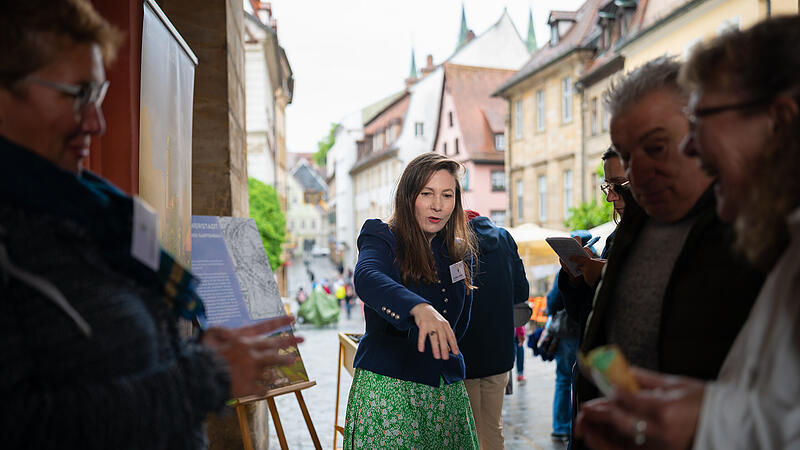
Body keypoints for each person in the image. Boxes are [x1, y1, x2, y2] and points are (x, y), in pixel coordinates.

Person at [0, 1, 302, 448]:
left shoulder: (92, 210)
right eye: (78, 93)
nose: (97, 121)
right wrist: (204, 375)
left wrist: (194, 351)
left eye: (98, 95)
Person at [576, 16, 800, 449]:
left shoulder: (757, 236)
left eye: (700, 124)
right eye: (624, 154)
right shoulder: (635, 225)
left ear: (781, 121)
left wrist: (706, 421)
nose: (633, 174)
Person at [343, 153, 479, 449]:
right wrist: (417, 308)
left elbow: (459, 325)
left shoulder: (458, 254)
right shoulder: (382, 236)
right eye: (426, 194)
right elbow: (366, 276)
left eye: (447, 195)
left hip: (445, 392)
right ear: (408, 197)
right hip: (389, 390)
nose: (438, 205)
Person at [460, 209, 529, 450]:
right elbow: (522, 292)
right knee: (493, 427)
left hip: (464, 353)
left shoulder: (453, 245)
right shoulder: (505, 239)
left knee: (469, 432)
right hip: (500, 351)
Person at [546, 231, 592, 443]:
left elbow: (554, 301)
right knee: (582, 381)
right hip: (584, 332)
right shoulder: (598, 262)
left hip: (567, 333)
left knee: (564, 380)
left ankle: (561, 426)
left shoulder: (570, 265)